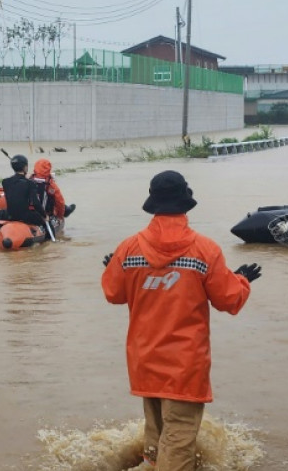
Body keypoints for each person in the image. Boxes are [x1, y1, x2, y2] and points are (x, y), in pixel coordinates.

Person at [101, 170, 260, 470]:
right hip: (184, 366)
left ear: (153, 203)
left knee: (156, 436)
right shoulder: (205, 250)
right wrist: (241, 280)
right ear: (185, 202)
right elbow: (229, 300)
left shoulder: (128, 249)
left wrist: (114, 268)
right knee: (179, 441)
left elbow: (113, 292)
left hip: (144, 360)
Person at [1, 154, 46, 226]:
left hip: (10, 215)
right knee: (42, 220)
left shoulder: (5, 182)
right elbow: (36, 203)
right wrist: (44, 215)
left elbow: (16, 189)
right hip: (25, 216)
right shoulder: (30, 183)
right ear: (25, 167)